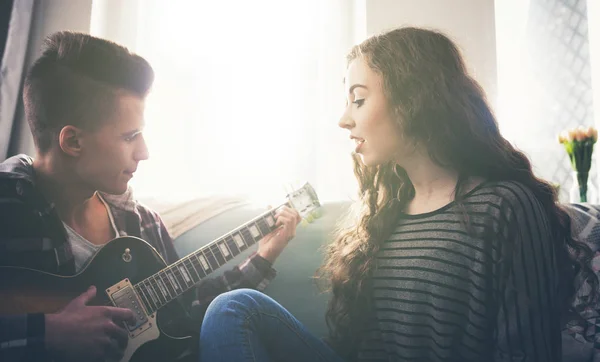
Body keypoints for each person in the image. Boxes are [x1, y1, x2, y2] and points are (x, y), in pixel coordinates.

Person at [197, 26, 598, 362]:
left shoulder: (505, 206)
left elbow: (525, 351)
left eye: (358, 99)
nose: (344, 118)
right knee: (233, 309)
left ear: (414, 99)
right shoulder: (381, 213)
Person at [0, 31, 301, 362]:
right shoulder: (8, 207)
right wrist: (49, 332)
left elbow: (187, 312)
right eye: (130, 137)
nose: (144, 152)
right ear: (72, 142)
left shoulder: (142, 225)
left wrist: (263, 257)